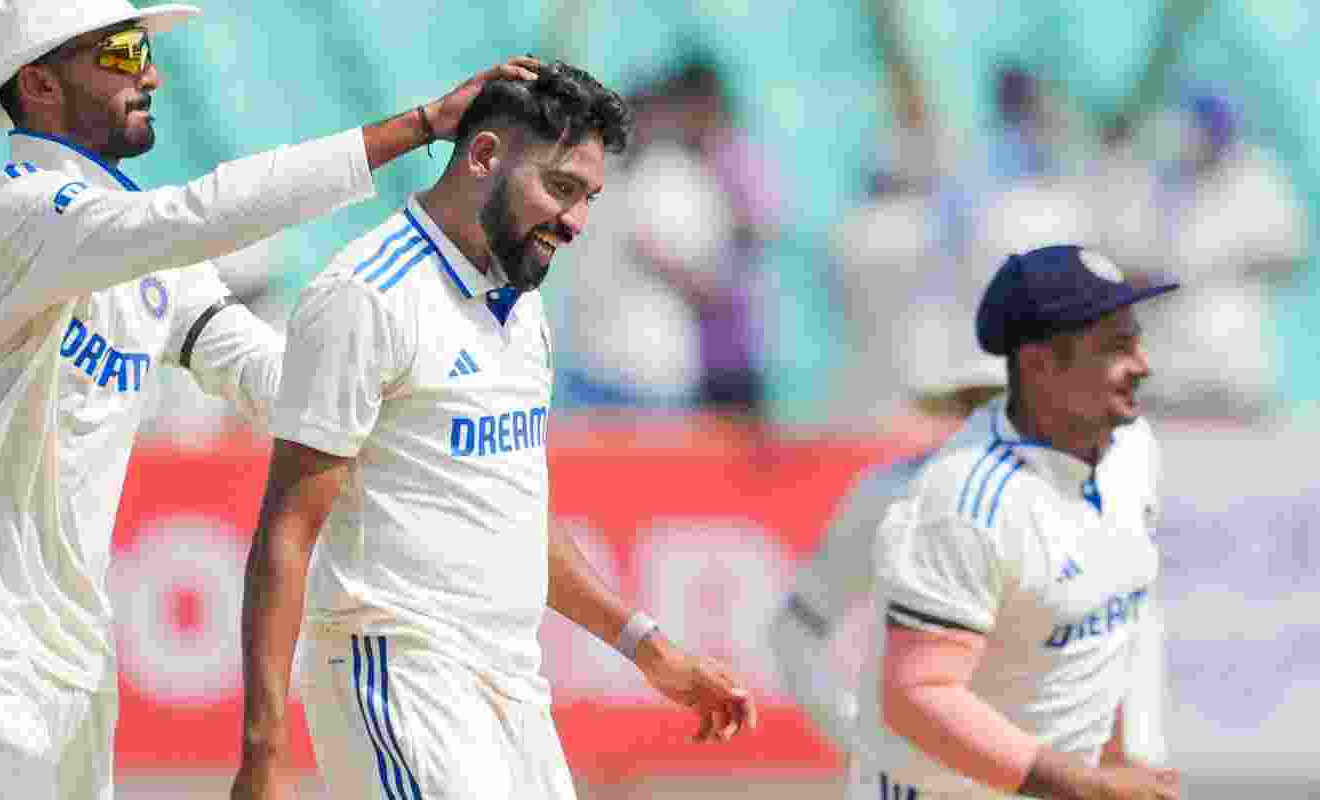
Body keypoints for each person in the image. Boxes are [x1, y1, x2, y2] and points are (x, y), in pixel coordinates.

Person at [0, 1, 539, 798]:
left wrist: (401, 414)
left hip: (71, 656)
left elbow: (259, 374)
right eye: (122, 52)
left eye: (144, 48)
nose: (151, 73)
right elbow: (201, 214)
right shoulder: (19, 215)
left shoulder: (135, 242)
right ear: (41, 84)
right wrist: (419, 126)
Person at [232, 62, 758, 800]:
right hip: (402, 675)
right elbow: (287, 532)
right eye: (561, 188)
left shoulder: (520, 302)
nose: (576, 221)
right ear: (482, 157)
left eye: (589, 198)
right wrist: (265, 753)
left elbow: (510, 512)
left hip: (513, 688)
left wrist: (648, 647)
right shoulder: (369, 296)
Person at [848, 245, 1180, 799]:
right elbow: (918, 695)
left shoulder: (1134, 450)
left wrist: (1123, 761)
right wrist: (1087, 784)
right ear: (1040, 364)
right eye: (1117, 347)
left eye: (1138, 338)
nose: (1143, 364)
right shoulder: (963, 502)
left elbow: (1111, 618)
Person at [771, 357, 1006, 757]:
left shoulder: (1082, 496)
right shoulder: (889, 494)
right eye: (978, 402)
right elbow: (796, 633)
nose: (992, 419)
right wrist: (863, 744)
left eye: (1006, 403)